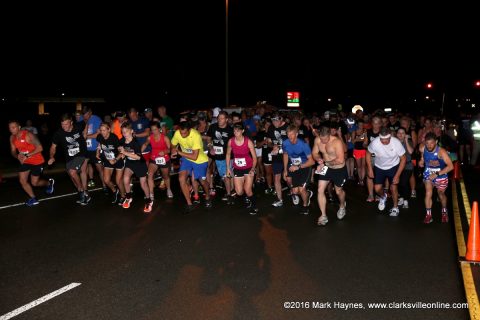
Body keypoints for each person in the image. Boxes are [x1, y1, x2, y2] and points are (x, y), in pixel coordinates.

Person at [9, 120, 54, 206]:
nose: (11, 129)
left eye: (13, 127)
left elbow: (40, 148)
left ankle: (49, 183)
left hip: (37, 161)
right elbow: (13, 151)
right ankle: (33, 198)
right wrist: (17, 156)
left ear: (19, 127)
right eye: (10, 128)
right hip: (25, 162)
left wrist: (27, 155)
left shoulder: (28, 135)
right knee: (22, 180)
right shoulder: (12, 137)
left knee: (34, 183)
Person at [48, 113, 90, 205]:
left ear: (71, 122)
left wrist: (85, 133)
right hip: (69, 157)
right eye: (62, 124)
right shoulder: (59, 133)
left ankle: (83, 192)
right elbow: (53, 147)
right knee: (72, 177)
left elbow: (86, 123)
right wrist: (51, 157)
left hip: (81, 154)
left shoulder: (78, 126)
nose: (64, 126)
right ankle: (82, 193)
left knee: (72, 172)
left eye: (66, 124)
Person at [171, 121, 212, 213]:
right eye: (181, 133)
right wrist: (173, 150)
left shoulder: (196, 136)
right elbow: (173, 144)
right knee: (181, 179)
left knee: (202, 181)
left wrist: (179, 152)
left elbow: (194, 156)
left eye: (185, 133)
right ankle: (189, 204)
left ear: (190, 130)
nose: (183, 135)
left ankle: (208, 196)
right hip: (186, 158)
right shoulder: (178, 133)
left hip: (199, 160)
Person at [366, 127, 406, 217]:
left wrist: (397, 175)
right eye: (382, 139)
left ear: (390, 137)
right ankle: (383, 196)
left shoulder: (396, 143)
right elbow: (368, 153)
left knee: (393, 188)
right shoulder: (375, 142)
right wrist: (369, 169)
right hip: (379, 167)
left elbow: (403, 159)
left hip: (393, 166)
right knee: (377, 189)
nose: (383, 141)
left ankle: (395, 207)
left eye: (386, 139)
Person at [311, 126, 348, 226]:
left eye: (325, 139)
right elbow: (314, 153)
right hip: (326, 167)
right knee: (320, 190)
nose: (323, 141)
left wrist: (324, 163)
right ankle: (323, 216)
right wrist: (319, 159)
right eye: (321, 139)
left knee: (338, 191)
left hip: (338, 169)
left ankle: (342, 206)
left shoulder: (336, 142)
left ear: (330, 135)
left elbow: (340, 160)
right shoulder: (318, 140)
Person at [419, 132, 454, 224]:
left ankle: (444, 212)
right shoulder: (422, 148)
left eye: (431, 143)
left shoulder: (441, 151)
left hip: (441, 175)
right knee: (428, 192)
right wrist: (421, 161)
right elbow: (422, 156)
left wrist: (437, 174)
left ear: (436, 142)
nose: (429, 146)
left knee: (440, 194)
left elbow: (450, 166)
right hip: (428, 174)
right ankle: (428, 215)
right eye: (427, 143)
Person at [225, 122, 258, 215]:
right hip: (237, 168)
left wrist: (253, 169)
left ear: (242, 131)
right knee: (239, 192)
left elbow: (254, 157)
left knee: (247, 190)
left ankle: (254, 205)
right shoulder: (231, 141)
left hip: (248, 167)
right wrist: (228, 168)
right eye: (234, 130)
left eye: (238, 131)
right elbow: (227, 154)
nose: (235, 132)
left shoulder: (248, 141)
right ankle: (247, 196)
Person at [118, 122, 152, 213]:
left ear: (132, 131)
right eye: (123, 132)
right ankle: (128, 197)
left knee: (143, 184)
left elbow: (138, 157)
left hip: (140, 164)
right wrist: (122, 154)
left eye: (126, 132)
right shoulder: (121, 140)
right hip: (130, 163)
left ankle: (149, 200)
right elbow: (121, 149)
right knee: (125, 179)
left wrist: (125, 153)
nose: (124, 134)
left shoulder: (136, 142)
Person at [282, 124, 315, 215]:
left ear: (296, 134)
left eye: (292, 134)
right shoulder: (285, 143)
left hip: (305, 167)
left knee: (301, 190)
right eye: (288, 134)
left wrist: (299, 166)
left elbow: (312, 161)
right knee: (295, 191)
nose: (290, 136)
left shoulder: (303, 145)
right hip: (293, 166)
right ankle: (307, 193)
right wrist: (285, 169)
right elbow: (285, 155)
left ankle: (305, 206)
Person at [207, 110, 234, 201]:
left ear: (226, 119)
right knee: (206, 167)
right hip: (215, 154)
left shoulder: (230, 130)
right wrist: (210, 147)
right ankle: (211, 187)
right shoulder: (213, 127)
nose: (219, 120)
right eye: (218, 118)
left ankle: (229, 193)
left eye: (222, 118)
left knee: (226, 175)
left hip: (226, 156)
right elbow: (209, 138)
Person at [96, 122, 125, 204]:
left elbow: (122, 152)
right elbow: (99, 144)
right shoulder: (99, 136)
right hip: (108, 159)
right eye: (101, 130)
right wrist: (97, 151)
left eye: (104, 130)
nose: (102, 132)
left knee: (118, 181)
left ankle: (123, 196)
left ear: (109, 130)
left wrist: (115, 160)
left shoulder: (114, 138)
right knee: (106, 180)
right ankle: (115, 191)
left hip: (118, 159)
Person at [142, 121, 173, 200]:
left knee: (165, 176)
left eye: (155, 129)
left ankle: (168, 189)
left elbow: (170, 150)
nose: (154, 131)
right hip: (154, 159)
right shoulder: (150, 137)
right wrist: (140, 152)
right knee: (150, 175)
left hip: (164, 159)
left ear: (159, 129)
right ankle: (151, 193)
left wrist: (165, 151)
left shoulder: (165, 138)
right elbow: (145, 144)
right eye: (152, 130)